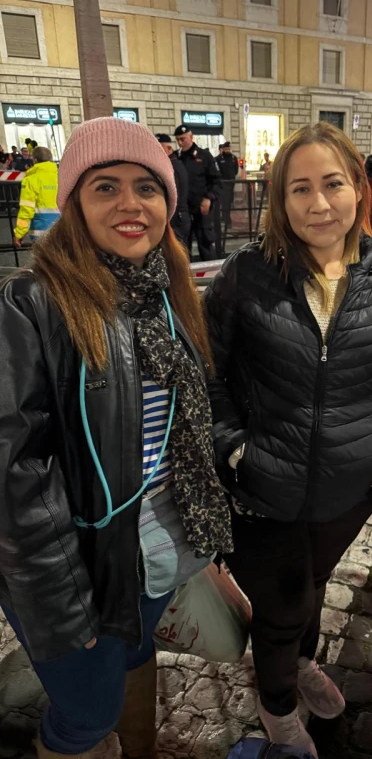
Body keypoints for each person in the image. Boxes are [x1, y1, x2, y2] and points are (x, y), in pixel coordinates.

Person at [0, 117, 233, 758]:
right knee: (86, 713)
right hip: (82, 564)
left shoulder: (168, 293)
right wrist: (62, 605)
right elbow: (15, 477)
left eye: (147, 187)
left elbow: (185, 427)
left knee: (133, 657)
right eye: (105, 187)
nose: (131, 204)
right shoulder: (33, 303)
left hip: (160, 548)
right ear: (75, 203)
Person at [205, 121, 372, 755]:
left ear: (359, 187)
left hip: (349, 485)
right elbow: (208, 371)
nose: (318, 203)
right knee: (280, 606)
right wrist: (234, 446)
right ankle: (277, 704)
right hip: (260, 484)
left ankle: (301, 663)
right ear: (280, 200)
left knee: (314, 583)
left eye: (332, 184)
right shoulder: (247, 274)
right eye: (299, 188)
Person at [174, 124, 222, 260]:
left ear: (191, 137)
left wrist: (209, 198)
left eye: (183, 139)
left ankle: (211, 272)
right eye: (178, 140)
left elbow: (217, 182)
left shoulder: (205, 156)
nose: (180, 143)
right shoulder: (176, 158)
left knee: (205, 244)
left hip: (201, 209)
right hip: (183, 211)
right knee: (182, 248)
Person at [12, 146, 60, 247]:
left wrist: (19, 233)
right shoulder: (62, 177)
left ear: (35, 160)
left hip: (41, 231)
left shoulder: (30, 180)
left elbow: (26, 210)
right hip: (64, 228)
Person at [156, 133, 191, 249]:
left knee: (175, 254)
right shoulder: (174, 165)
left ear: (169, 148)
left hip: (176, 219)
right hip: (179, 217)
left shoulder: (171, 168)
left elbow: (172, 196)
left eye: (159, 148)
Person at [215, 141, 239, 239]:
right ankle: (227, 221)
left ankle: (226, 219)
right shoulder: (218, 159)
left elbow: (236, 170)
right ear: (223, 149)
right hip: (223, 184)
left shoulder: (233, 158)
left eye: (229, 149)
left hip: (231, 184)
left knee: (229, 202)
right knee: (225, 203)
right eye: (226, 149)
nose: (227, 150)